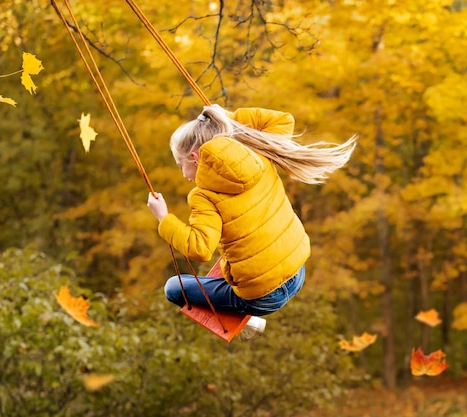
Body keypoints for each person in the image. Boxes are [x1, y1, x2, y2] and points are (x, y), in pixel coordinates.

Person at [147, 104, 357, 340]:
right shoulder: (258, 153)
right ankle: (245, 306)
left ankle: (247, 317)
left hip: (264, 297)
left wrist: (163, 217)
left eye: (180, 165)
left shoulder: (204, 195)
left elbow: (200, 249)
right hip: (297, 271)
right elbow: (283, 119)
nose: (183, 173)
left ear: (195, 158)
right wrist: (229, 116)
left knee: (174, 287)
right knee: (229, 257)